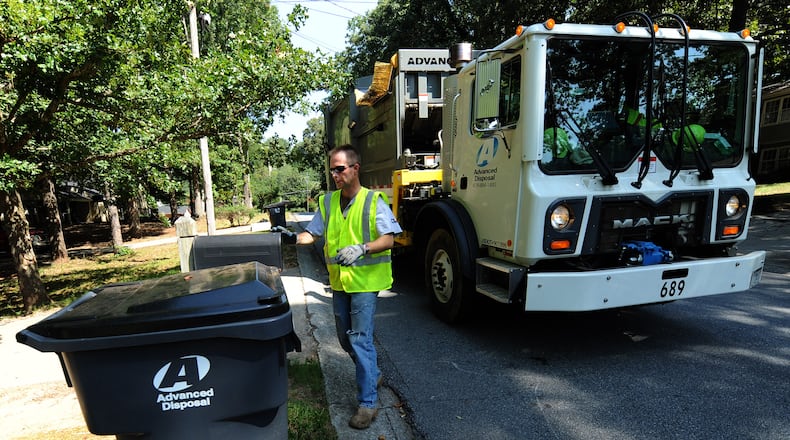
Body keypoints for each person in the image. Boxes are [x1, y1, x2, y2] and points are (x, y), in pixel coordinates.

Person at [292, 144, 402, 430]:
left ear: (355, 168)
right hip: (340, 282)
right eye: (332, 169)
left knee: (360, 339)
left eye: (340, 168)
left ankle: (368, 404)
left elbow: (389, 239)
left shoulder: (372, 200)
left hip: (366, 282)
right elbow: (312, 233)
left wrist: (362, 248)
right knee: (344, 339)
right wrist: (291, 236)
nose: (335, 174)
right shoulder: (328, 202)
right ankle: (373, 372)